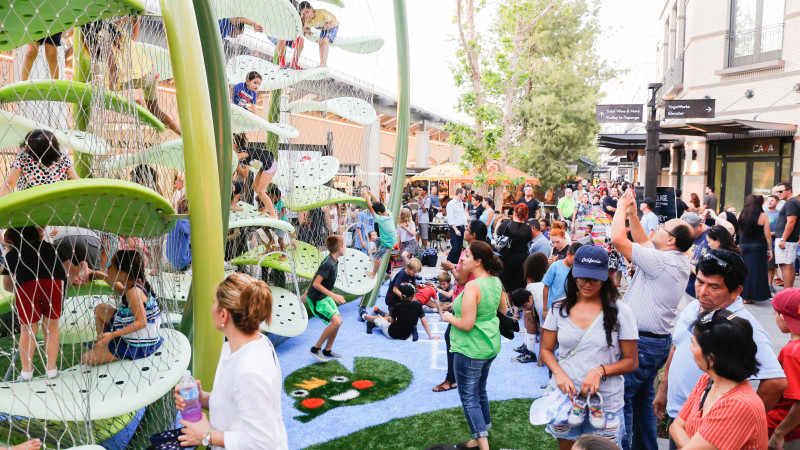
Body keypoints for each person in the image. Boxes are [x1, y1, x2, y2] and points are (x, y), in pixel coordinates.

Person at [654, 250, 787, 450]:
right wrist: (663, 390)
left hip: (717, 425)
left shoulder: (742, 327)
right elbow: (677, 347)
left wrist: (740, 421)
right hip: (682, 416)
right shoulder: (694, 308)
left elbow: (776, 382)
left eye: (714, 286)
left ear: (736, 291)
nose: (702, 291)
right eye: (699, 281)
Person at [610, 189, 694, 450]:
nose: (657, 227)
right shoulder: (672, 259)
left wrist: (621, 207)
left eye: (662, 227)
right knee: (642, 403)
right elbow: (643, 241)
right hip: (654, 343)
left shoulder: (661, 262)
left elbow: (617, 239)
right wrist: (634, 214)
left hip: (642, 343)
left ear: (670, 241)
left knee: (621, 400)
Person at [174, 273, 288, 449]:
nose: (212, 308)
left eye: (214, 303)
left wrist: (207, 434)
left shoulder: (248, 370)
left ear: (223, 315)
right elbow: (235, 404)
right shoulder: (247, 344)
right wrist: (201, 398)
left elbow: (264, 444)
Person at [541, 245, 639, 449]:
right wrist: (559, 373)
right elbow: (546, 349)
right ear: (573, 275)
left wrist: (600, 371)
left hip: (605, 404)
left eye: (594, 279)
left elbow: (631, 361)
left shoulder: (621, 312)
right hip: (566, 400)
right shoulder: (559, 307)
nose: (587, 284)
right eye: (582, 277)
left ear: (605, 278)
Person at [669, 308, 767, 449]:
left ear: (712, 358)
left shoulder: (738, 405)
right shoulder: (707, 381)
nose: (690, 348)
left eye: (694, 343)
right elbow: (676, 426)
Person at [441, 241, 508, 450]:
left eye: (467, 255)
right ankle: (480, 438)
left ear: (478, 261)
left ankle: (483, 444)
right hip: (489, 345)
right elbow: (503, 311)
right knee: (480, 392)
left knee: (469, 398)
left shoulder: (473, 286)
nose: (463, 258)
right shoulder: (495, 281)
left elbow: (467, 324)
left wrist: (448, 318)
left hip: (470, 348)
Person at [80, 19, 181, 135]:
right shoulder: (115, 29)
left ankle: (135, 103)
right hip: (151, 72)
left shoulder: (101, 37)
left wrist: (112, 93)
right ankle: (181, 134)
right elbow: (133, 38)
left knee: (97, 89)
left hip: (137, 77)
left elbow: (112, 67)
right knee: (155, 110)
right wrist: (136, 21)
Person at [1, 227, 66, 381]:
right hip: (54, 280)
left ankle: (26, 373)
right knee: (51, 327)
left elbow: (5, 276)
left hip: (27, 282)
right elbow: (69, 266)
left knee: (28, 329)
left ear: (11, 242)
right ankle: (51, 371)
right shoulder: (49, 246)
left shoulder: (15, 252)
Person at [81, 250, 162, 365]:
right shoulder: (135, 283)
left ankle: (106, 346)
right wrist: (100, 275)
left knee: (87, 359)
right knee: (100, 309)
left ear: (122, 273)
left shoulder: (133, 292)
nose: (108, 268)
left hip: (139, 344)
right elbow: (120, 290)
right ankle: (103, 346)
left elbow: (142, 322)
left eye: (111, 265)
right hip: (138, 332)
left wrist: (112, 335)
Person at [434, 220, 487, 393]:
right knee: (460, 338)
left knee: (452, 336)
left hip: (466, 300)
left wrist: (451, 267)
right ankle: (460, 377)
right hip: (470, 299)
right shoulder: (482, 251)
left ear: (473, 235)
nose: (465, 231)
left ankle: (452, 379)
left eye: (468, 230)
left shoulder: (470, 251)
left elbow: (462, 279)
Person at [304, 235, 346, 362]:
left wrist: (306, 291)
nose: (345, 248)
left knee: (339, 321)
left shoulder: (332, 260)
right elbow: (317, 283)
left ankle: (327, 350)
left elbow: (316, 274)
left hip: (324, 296)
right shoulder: (329, 263)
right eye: (344, 246)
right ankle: (316, 348)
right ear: (339, 248)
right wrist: (334, 295)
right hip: (317, 298)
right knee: (336, 322)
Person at [767, 289, 800, 449]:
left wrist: (779, 433)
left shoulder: (792, 352)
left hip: (789, 431)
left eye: (775, 314)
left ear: (783, 317)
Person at [0, 130, 78, 197]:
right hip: (57, 201)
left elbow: (10, 183)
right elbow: (75, 181)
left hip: (30, 203)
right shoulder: (63, 159)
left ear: (28, 148)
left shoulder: (23, 160)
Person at [363, 283, 439, 340]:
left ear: (401, 295)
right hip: (406, 335)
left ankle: (364, 316)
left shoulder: (397, 306)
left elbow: (392, 322)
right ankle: (378, 313)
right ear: (413, 296)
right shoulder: (418, 305)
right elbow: (424, 322)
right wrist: (431, 337)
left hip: (392, 334)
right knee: (388, 318)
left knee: (379, 319)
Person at [737, 194, 773, 303]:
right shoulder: (763, 216)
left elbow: (738, 231)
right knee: (757, 271)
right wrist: (770, 249)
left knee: (745, 270)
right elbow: (767, 235)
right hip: (758, 246)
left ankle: (745, 296)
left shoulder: (740, 214)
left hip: (744, 245)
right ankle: (755, 295)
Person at [515, 252, 549, 365]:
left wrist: (541, 359)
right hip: (544, 311)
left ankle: (532, 351)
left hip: (551, 317)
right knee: (528, 314)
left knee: (530, 315)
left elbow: (544, 329)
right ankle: (528, 347)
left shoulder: (539, 301)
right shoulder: (531, 287)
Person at [495, 204, 533, 293]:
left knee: (505, 285)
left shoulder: (506, 224)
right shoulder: (528, 229)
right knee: (519, 284)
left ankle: (508, 305)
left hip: (506, 257)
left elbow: (497, 237)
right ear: (526, 215)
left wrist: (497, 225)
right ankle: (517, 306)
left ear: (514, 213)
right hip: (522, 259)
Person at [363, 189, 397, 278]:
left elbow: (370, 208)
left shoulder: (380, 219)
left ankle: (373, 274)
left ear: (378, 213)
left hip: (388, 242)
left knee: (378, 257)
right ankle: (376, 257)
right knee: (377, 241)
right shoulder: (388, 212)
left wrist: (366, 195)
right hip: (390, 238)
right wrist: (371, 194)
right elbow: (378, 203)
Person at [542, 242, 581, 319]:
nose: (577, 262)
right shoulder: (555, 266)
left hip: (570, 309)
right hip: (553, 308)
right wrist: (545, 310)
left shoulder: (578, 269)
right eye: (575, 259)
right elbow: (546, 287)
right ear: (568, 254)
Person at [775, 182, 800, 288]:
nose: (778, 194)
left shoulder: (791, 202)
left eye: (781, 191)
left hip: (787, 239)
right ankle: (788, 292)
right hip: (788, 239)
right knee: (788, 265)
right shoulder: (792, 202)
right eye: (777, 192)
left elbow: (791, 221)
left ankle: (787, 292)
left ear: (789, 191)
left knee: (785, 265)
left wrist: (783, 239)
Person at [299, 1, 338, 67]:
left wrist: (330, 26)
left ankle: (324, 63)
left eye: (307, 12)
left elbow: (332, 21)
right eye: (304, 14)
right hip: (324, 28)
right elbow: (308, 28)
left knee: (325, 41)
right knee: (320, 42)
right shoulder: (308, 20)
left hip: (333, 25)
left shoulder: (321, 13)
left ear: (312, 9)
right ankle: (321, 63)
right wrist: (304, 29)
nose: (306, 15)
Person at [682, 212, 710, 299]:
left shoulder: (712, 236)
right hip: (687, 287)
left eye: (691, 231)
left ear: (700, 225)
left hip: (704, 292)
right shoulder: (685, 236)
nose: (688, 235)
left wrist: (691, 267)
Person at [509, 288, 540, 364]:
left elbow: (544, 328)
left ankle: (531, 353)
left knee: (529, 313)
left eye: (525, 305)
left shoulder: (540, 305)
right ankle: (527, 346)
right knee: (527, 312)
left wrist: (543, 355)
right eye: (522, 307)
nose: (524, 308)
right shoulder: (529, 288)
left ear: (530, 298)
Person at [166, 198, 191, 271]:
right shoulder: (184, 222)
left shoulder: (175, 221)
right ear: (187, 213)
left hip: (172, 259)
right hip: (182, 263)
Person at [446, 188, 469, 264]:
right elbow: (450, 218)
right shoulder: (451, 204)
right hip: (455, 227)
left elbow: (462, 216)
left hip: (461, 226)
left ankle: (455, 264)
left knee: (459, 248)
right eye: (463, 194)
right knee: (455, 247)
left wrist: (465, 227)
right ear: (459, 194)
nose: (464, 195)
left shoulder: (462, 203)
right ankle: (448, 262)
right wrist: (456, 230)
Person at [765, 194, 781, 292]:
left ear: (777, 203)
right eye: (768, 200)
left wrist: (769, 233)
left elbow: (780, 230)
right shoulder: (762, 213)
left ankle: (770, 284)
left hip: (773, 244)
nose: (769, 202)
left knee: (771, 265)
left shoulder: (779, 214)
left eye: (772, 201)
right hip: (761, 242)